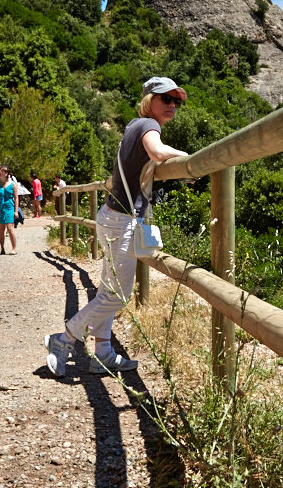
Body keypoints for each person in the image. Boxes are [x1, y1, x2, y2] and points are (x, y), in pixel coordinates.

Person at [44, 76, 188, 376]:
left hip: (113, 215)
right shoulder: (149, 126)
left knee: (108, 291)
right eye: (166, 99)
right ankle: (65, 338)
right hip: (121, 220)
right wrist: (190, 159)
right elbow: (159, 152)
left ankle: (103, 353)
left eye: (176, 101)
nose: (172, 105)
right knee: (117, 295)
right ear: (150, 100)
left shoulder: (133, 126)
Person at [0, 165, 18, 254]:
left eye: (2, 171)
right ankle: (2, 249)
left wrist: (16, 211)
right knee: (1, 229)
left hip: (9, 208)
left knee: (10, 228)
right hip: (0, 208)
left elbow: (16, 198)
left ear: (6, 173)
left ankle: (14, 248)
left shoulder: (13, 184)